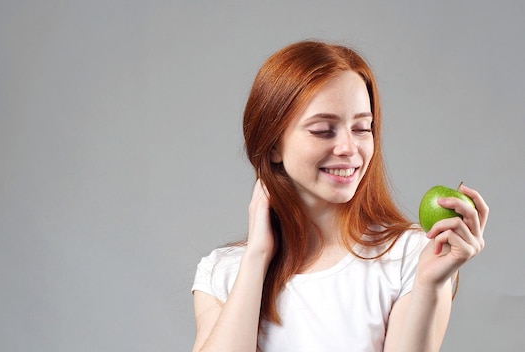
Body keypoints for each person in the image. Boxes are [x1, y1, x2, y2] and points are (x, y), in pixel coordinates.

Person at [191, 40, 489, 352]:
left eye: (362, 128)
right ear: (274, 145)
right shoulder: (221, 272)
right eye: (322, 130)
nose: (349, 148)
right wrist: (256, 258)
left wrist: (428, 285)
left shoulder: (412, 256)